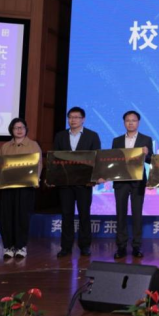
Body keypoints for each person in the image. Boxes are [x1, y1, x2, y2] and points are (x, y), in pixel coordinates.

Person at [52, 107, 101, 258]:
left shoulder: (92, 136)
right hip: (65, 183)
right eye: (70, 117)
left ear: (83, 119)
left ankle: (85, 246)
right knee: (66, 214)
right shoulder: (60, 136)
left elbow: (97, 159)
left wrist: (94, 178)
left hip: (84, 183)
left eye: (76, 117)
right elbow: (55, 159)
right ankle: (66, 247)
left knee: (84, 214)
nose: (73, 120)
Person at [0, 117, 42, 259]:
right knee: (6, 216)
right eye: (16, 128)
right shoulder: (5, 147)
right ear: (11, 130)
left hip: (25, 187)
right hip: (7, 187)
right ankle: (8, 246)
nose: (19, 130)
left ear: (26, 129)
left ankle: (21, 246)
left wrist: (36, 179)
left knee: (22, 216)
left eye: (21, 127)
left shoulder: (33, 145)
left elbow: (39, 164)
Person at [111, 110, 154, 259]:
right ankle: (121, 247)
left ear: (138, 122)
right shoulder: (117, 141)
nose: (130, 123)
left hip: (138, 182)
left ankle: (136, 246)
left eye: (133, 120)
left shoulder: (146, 139)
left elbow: (151, 160)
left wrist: (146, 154)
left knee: (137, 214)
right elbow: (113, 160)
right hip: (121, 182)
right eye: (128, 120)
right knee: (120, 214)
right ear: (124, 123)